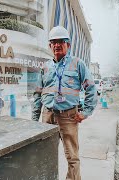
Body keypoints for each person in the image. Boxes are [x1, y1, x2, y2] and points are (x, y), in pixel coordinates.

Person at [32, 26, 97, 180]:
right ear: (49, 46)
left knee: (72, 157)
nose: (57, 45)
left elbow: (91, 88)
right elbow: (37, 93)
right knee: (45, 155)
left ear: (68, 44)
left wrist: (85, 112)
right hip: (47, 116)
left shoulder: (77, 63)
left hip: (69, 116)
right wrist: (35, 120)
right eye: (53, 42)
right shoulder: (46, 67)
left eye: (61, 41)